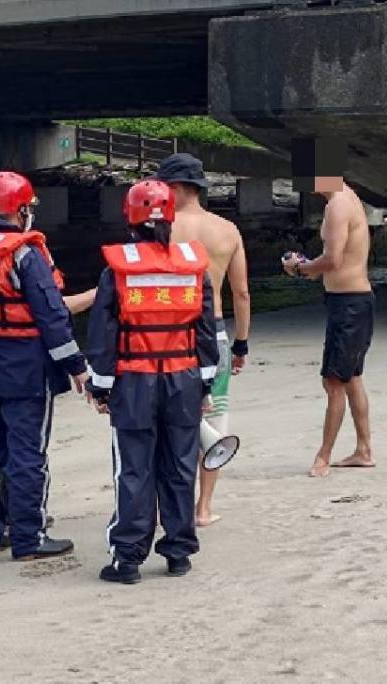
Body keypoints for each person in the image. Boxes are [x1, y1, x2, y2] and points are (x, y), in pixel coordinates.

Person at [0, 170, 89, 561]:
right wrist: (77, 365)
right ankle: (28, 538)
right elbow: (52, 315)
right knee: (27, 452)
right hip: (24, 367)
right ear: (21, 209)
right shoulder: (25, 252)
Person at [85, 179, 218, 584]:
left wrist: (100, 386)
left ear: (130, 216)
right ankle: (178, 553)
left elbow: (103, 335)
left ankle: (128, 559)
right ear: (171, 216)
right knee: (179, 466)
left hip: (135, 382)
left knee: (134, 469)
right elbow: (207, 333)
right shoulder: (194, 267)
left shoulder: (118, 270)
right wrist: (206, 386)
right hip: (183, 379)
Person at [155, 153, 251, 527]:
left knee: (170, 418)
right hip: (215, 333)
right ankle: (204, 508)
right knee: (216, 416)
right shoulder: (227, 230)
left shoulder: (162, 227)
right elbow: (240, 293)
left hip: (169, 332)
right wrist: (241, 344)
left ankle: (169, 505)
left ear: (177, 188)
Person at [282, 176, 375, 477]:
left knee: (333, 382)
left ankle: (323, 457)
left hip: (349, 304)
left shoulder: (338, 204)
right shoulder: (346, 197)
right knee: (351, 378)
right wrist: (309, 266)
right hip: (352, 301)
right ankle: (363, 450)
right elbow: (337, 258)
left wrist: (299, 267)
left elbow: (333, 260)